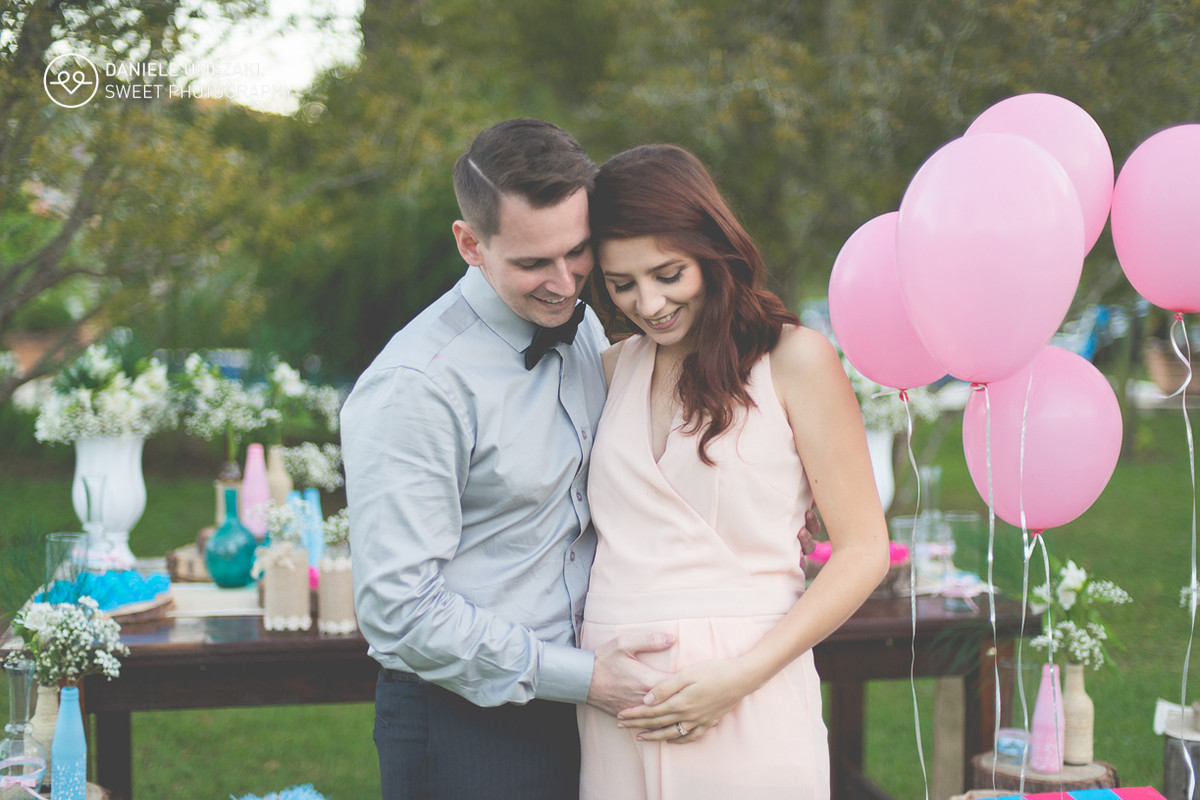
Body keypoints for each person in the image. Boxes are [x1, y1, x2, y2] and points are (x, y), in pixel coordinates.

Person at [340, 119, 678, 800]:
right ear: (470, 243)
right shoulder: (418, 385)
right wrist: (582, 677)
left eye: (578, 252)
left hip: (589, 710)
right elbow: (398, 610)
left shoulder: (579, 324)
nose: (564, 283)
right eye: (532, 264)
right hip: (466, 728)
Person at [576, 143, 890, 800]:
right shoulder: (610, 368)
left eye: (669, 273)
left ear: (712, 249)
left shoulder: (795, 360)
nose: (649, 303)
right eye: (621, 283)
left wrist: (743, 676)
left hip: (748, 687)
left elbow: (865, 552)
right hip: (616, 702)